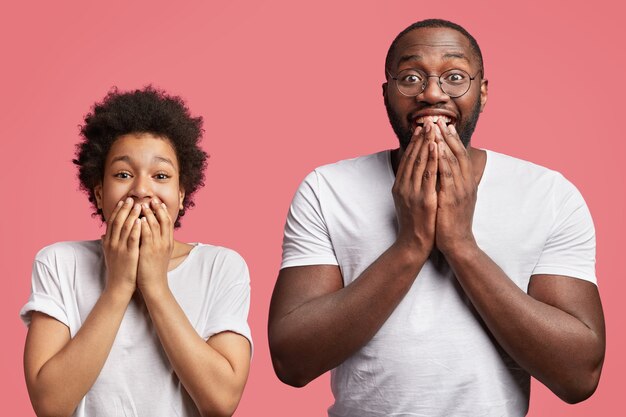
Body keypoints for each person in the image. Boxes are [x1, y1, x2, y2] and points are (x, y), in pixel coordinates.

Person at [268, 19, 605, 416]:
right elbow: (292, 362)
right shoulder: (327, 189)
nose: (431, 92)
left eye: (454, 77)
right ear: (386, 94)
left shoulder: (549, 195)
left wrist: (461, 245)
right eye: (410, 77)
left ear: (482, 92)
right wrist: (410, 245)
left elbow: (579, 376)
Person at [21, 86, 251, 417]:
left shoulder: (222, 266)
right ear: (99, 194)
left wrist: (155, 285)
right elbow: (49, 405)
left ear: (182, 195)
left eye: (160, 175)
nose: (141, 189)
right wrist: (118, 287)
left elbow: (221, 402)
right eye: (123, 174)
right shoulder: (59, 263)